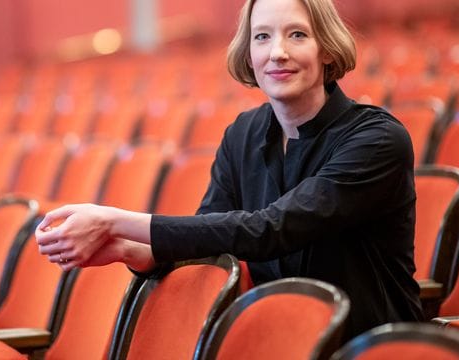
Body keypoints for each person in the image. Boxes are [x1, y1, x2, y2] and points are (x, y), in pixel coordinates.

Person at [36, 0, 423, 341]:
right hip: (275, 341)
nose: (278, 52)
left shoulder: (377, 139)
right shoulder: (243, 134)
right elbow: (212, 236)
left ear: (326, 48)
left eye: (297, 35)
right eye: (262, 37)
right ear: (248, 52)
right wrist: (131, 251)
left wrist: (116, 222)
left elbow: (271, 229)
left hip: (367, 343)